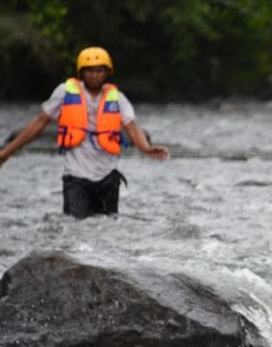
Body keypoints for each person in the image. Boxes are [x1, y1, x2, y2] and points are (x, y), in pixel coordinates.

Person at [0, 46, 168, 218]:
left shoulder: (117, 98)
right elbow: (39, 123)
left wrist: (146, 148)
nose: (94, 75)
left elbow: (132, 127)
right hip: (76, 178)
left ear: (107, 72)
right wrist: (7, 152)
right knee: (75, 228)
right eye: (89, 71)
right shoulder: (64, 92)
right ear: (81, 73)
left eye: (99, 71)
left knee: (107, 230)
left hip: (108, 178)